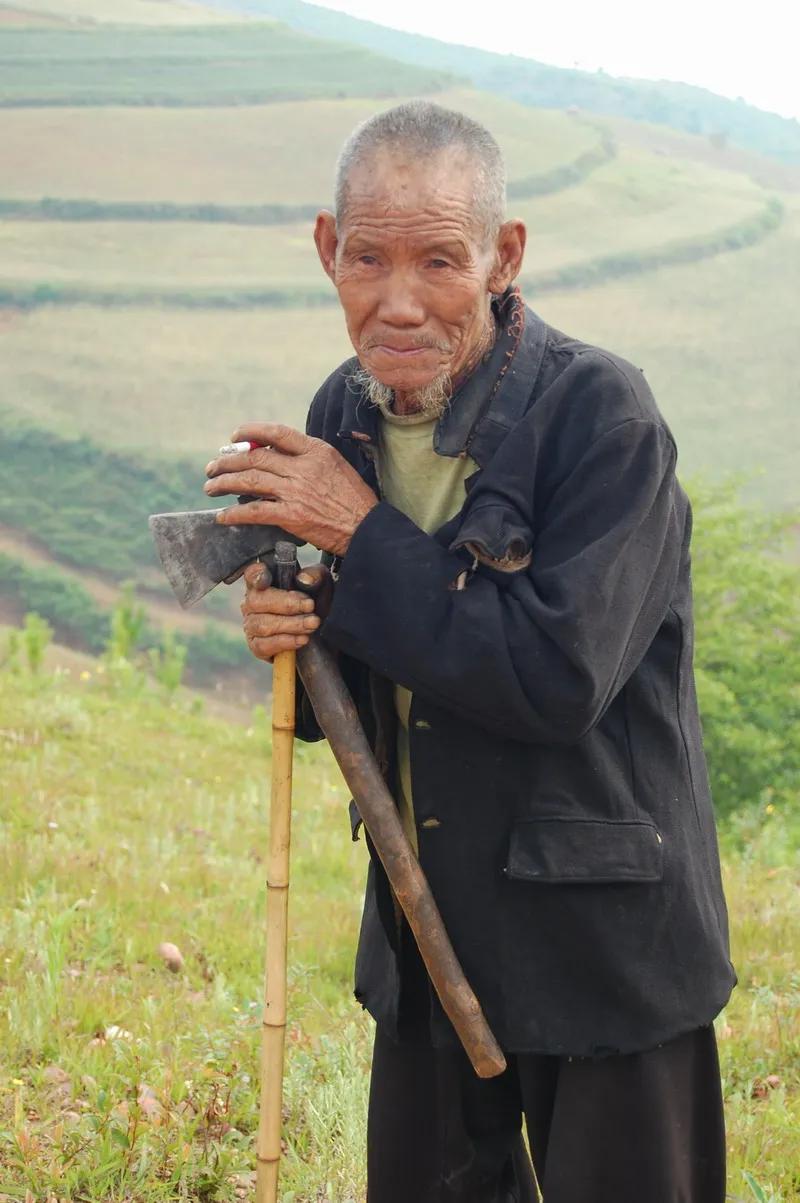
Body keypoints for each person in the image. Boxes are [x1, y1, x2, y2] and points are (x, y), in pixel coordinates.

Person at [204, 101, 736, 1203]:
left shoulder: (603, 419)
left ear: (502, 257)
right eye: (367, 258)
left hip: (599, 947)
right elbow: (364, 675)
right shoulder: (338, 419)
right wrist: (293, 637)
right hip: (423, 924)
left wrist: (356, 533)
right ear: (325, 252)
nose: (398, 302)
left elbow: (554, 680)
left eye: (440, 259)